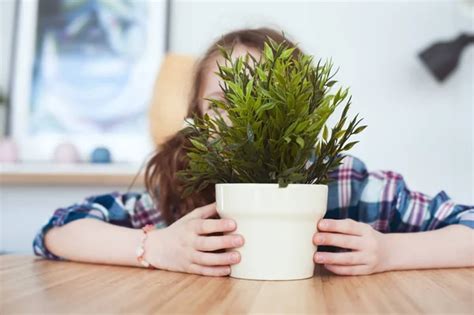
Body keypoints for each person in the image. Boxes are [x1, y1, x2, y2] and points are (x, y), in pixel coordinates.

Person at [34, 28, 474, 276]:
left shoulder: (345, 184)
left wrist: (390, 253)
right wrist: (155, 248)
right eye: (227, 100)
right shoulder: (188, 191)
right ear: (199, 121)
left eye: (269, 98)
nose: (248, 118)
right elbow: (58, 229)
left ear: (305, 113)